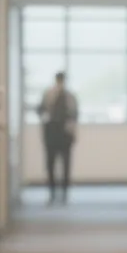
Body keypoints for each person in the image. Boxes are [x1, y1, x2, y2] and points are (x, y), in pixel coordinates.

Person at [36, 72, 78, 203]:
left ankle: (64, 193)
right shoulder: (48, 94)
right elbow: (40, 110)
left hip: (65, 135)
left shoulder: (70, 96)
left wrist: (73, 132)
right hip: (51, 133)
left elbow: (75, 115)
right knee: (50, 165)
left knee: (66, 165)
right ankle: (52, 193)